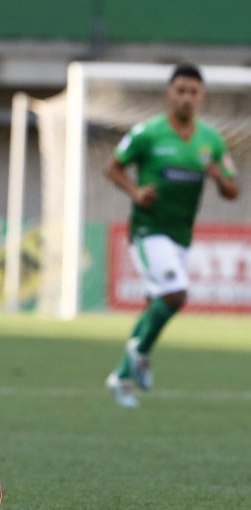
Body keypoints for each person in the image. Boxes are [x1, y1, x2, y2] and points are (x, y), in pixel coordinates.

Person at [104, 63, 240, 408]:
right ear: (170, 93)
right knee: (176, 294)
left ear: (201, 96)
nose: (187, 97)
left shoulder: (211, 140)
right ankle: (141, 352)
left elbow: (233, 189)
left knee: (156, 305)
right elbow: (113, 167)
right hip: (149, 230)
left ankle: (120, 377)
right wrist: (135, 193)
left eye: (193, 92)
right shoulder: (148, 133)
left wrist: (220, 179)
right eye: (180, 90)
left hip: (181, 234)